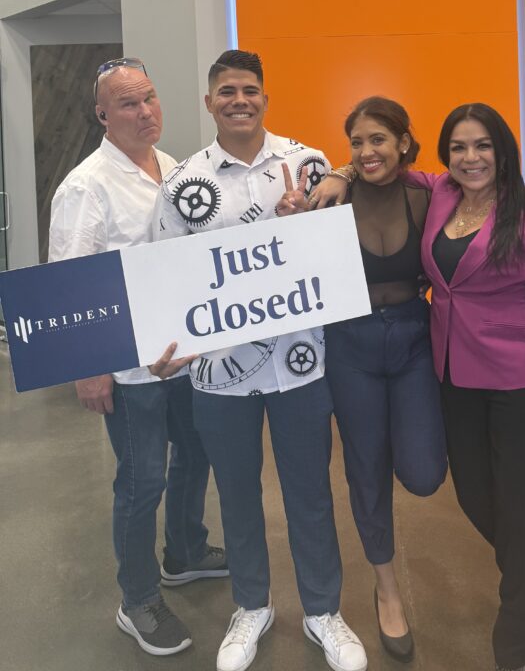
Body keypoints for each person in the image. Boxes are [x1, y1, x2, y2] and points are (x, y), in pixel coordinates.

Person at [314, 102, 525, 671]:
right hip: (454, 375)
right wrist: (341, 171)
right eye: (459, 147)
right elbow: (378, 159)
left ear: (503, 151)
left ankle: (513, 644)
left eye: (483, 146)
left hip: (524, 381)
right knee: (480, 504)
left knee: (524, 515)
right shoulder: (439, 194)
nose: (470, 157)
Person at [152, 49, 367, 671]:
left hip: (302, 363)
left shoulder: (310, 163)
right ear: (209, 102)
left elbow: (338, 258)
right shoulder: (183, 184)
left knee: (310, 492)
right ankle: (252, 605)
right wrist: (163, 349)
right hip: (217, 373)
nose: (239, 100)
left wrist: (308, 220)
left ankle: (323, 610)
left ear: (266, 99)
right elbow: (167, 277)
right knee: (237, 494)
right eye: (227, 91)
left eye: (249, 90)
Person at [48, 57, 227, 658]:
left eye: (149, 97)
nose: (145, 111)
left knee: (194, 455)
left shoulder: (174, 168)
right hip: (129, 368)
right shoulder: (87, 186)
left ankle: (185, 551)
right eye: (128, 103)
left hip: (182, 355)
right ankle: (138, 598)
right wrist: (89, 367)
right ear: (103, 115)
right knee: (142, 479)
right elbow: (69, 284)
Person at [317, 97, 447, 663]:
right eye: (357, 143)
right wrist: (339, 174)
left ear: (402, 142)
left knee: (423, 473)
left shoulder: (428, 194)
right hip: (351, 344)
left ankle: (398, 438)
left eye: (378, 140)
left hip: (414, 337)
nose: (367, 152)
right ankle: (387, 589)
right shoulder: (332, 199)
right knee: (365, 471)